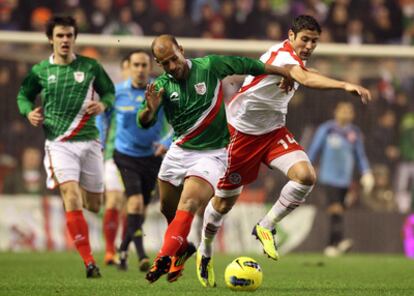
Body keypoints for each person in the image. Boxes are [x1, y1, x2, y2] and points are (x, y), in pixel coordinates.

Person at [196, 15, 372, 287]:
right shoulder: (282, 57)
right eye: (305, 39)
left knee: (305, 176)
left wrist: (297, 77)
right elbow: (302, 76)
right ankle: (205, 250)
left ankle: (266, 225)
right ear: (291, 36)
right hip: (240, 135)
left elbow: (303, 73)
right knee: (223, 204)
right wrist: (344, 84)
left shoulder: (295, 60)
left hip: (274, 132)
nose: (310, 45)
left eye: (314, 41)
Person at [139, 34, 294, 284]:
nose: (172, 66)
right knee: (168, 210)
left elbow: (248, 64)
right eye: (165, 63)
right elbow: (144, 122)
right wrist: (150, 109)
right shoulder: (160, 86)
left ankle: (162, 258)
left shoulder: (209, 66)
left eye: (174, 59)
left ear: (181, 49)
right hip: (179, 151)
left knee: (188, 204)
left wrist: (283, 72)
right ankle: (181, 249)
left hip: (212, 155)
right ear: (159, 64)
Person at [16, 16, 115, 278]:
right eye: (60, 35)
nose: (65, 40)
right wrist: (28, 113)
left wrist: (103, 104)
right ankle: (89, 261)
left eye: (69, 35)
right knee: (70, 196)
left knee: (94, 205)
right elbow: (23, 95)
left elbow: (109, 92)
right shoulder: (40, 71)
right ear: (51, 38)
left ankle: (80, 199)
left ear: (75, 38)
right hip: (59, 144)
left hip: (90, 141)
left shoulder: (91, 67)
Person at [102, 50, 172, 272]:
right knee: (134, 203)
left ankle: (123, 249)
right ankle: (140, 255)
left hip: (151, 156)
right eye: (136, 65)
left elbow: (177, 121)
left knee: (139, 211)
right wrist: (101, 140)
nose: (140, 69)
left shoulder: (161, 91)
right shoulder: (117, 92)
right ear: (128, 67)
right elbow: (101, 116)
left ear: (150, 67)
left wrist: (167, 142)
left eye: (144, 65)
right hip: (124, 155)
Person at [308, 101, 374, 257]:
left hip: (345, 180)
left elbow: (360, 155)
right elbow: (313, 150)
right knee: (335, 208)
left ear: (353, 115)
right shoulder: (327, 129)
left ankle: (335, 243)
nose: (346, 114)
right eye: (343, 111)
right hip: (328, 177)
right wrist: (307, 167)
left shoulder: (355, 132)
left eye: (349, 111)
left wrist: (366, 172)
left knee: (339, 211)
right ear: (335, 112)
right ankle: (334, 243)